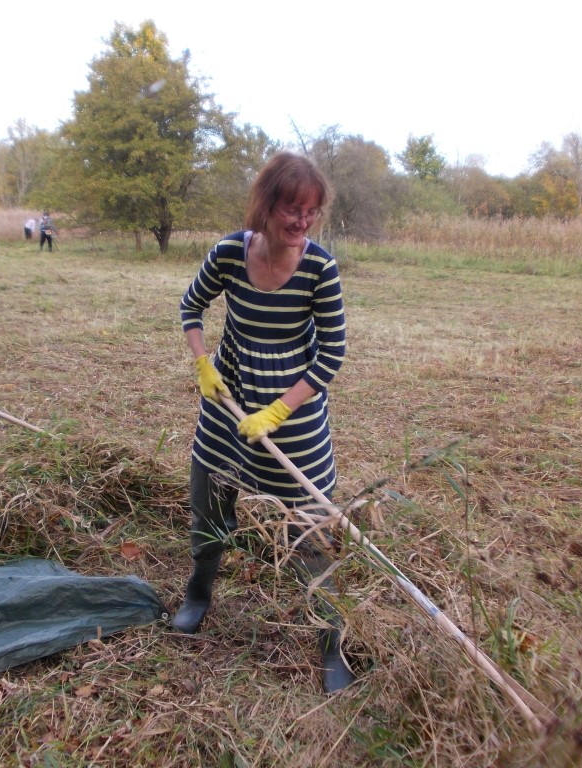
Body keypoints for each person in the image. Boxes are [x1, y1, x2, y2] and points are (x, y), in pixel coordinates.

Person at [175, 152, 354, 693]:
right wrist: (203, 361)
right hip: (228, 400)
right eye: (291, 210)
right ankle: (198, 595)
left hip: (291, 411)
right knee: (211, 499)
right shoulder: (231, 252)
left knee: (309, 525)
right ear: (266, 204)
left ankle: (332, 641)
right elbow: (191, 306)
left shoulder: (320, 268)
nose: (301, 224)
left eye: (312, 213)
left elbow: (332, 354)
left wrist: (280, 409)